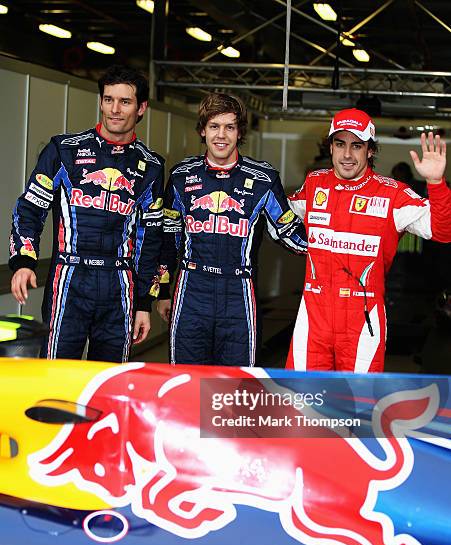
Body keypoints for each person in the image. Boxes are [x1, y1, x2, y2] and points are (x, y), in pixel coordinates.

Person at [9, 65, 165, 362]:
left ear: (141, 107)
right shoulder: (63, 150)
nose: (114, 110)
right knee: (54, 375)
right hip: (69, 278)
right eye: (108, 100)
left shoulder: (152, 166)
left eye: (125, 102)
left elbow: (151, 238)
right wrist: (24, 260)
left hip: (120, 284)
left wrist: (144, 301)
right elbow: (30, 208)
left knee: (107, 382)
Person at [286, 108, 450, 372]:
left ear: (370, 150)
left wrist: (436, 182)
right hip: (313, 318)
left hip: (363, 321)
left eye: (357, 145)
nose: (347, 154)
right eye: (340, 144)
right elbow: (278, 214)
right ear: (331, 148)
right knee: (304, 402)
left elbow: (443, 231)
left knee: (359, 407)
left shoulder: (393, 194)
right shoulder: (315, 183)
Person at [156, 92, 307, 366]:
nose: (221, 135)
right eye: (214, 126)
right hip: (191, 290)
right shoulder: (180, 176)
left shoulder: (263, 179)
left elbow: (290, 234)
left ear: (240, 132)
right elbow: (169, 240)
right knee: (185, 382)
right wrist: (162, 292)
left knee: (236, 387)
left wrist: (335, 241)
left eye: (229, 127)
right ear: (203, 130)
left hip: (239, 292)